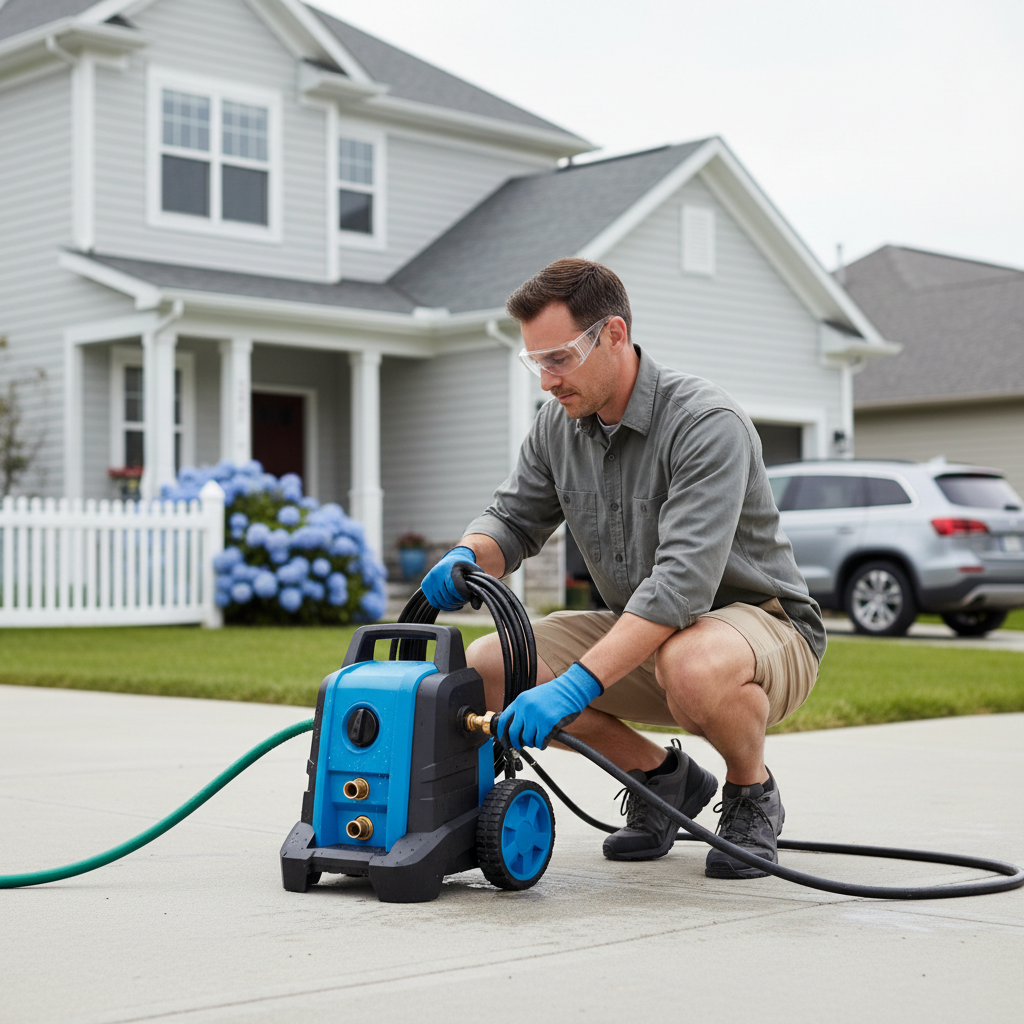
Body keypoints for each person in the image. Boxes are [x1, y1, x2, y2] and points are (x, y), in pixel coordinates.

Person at [421, 258, 825, 878]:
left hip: (763, 631)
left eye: (558, 359)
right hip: (648, 632)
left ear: (613, 335)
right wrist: (467, 553)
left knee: (690, 663)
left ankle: (751, 793)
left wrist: (576, 685)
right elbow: (512, 520)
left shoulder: (704, 423)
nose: (546, 381)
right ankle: (661, 781)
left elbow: (681, 586)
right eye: (536, 363)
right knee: (492, 667)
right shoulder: (558, 427)